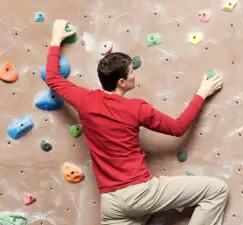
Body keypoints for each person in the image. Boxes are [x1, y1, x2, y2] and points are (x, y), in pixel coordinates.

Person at [46, 19, 229, 225]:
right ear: (121, 82)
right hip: (140, 194)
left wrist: (56, 38)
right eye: (132, 71)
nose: (135, 74)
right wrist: (202, 94)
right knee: (216, 190)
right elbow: (178, 128)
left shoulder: (84, 100)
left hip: (111, 203)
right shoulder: (136, 108)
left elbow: (52, 78)